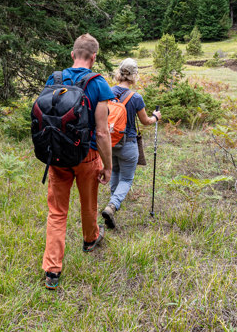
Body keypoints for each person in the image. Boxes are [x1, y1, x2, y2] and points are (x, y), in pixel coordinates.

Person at [42, 33, 114, 290]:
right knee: (88, 203)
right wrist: (108, 165)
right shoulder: (98, 83)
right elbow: (103, 131)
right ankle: (90, 240)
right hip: (86, 156)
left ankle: (52, 271)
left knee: (57, 212)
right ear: (93, 58)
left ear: (73, 54)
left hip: (58, 155)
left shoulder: (55, 79)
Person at [101, 58, 161, 229]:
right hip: (128, 144)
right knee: (126, 179)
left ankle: (112, 203)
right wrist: (156, 117)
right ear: (134, 76)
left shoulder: (107, 91)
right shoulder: (136, 98)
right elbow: (145, 121)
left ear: (119, 73)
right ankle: (112, 206)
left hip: (110, 142)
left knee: (114, 173)